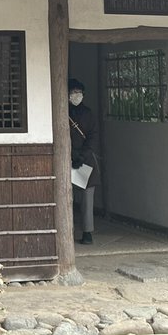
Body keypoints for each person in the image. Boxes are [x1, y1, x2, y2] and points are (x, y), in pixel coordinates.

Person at [68, 78, 100, 245]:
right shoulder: (62, 112)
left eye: (79, 93)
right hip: (67, 158)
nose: (76, 95)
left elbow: (93, 136)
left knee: (87, 198)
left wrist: (82, 155)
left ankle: (87, 232)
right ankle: (68, 231)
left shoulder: (88, 113)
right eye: (73, 92)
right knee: (67, 197)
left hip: (86, 160)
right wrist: (71, 154)